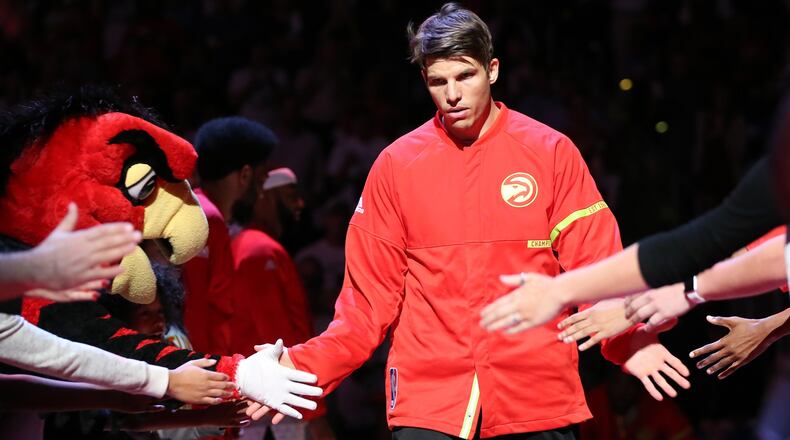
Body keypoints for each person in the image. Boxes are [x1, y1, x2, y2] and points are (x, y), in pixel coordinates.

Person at [253, 4, 689, 439]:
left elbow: (596, 265)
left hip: (536, 393)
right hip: (428, 401)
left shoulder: (550, 151)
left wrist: (630, 340)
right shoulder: (396, 166)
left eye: (465, 76)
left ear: (492, 70)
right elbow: (364, 309)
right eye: (438, 82)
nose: (453, 95)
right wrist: (298, 367)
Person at [231, 167, 333, 439]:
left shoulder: (255, 245)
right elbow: (276, 337)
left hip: (268, 397)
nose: (299, 204)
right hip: (275, 400)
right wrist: (313, 411)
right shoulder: (259, 250)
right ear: (264, 197)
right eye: (290, 195)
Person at [181, 116, 277, 355]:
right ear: (245, 175)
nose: (261, 194)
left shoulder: (196, 210)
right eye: (261, 180)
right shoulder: (208, 219)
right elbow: (200, 311)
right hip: (197, 364)